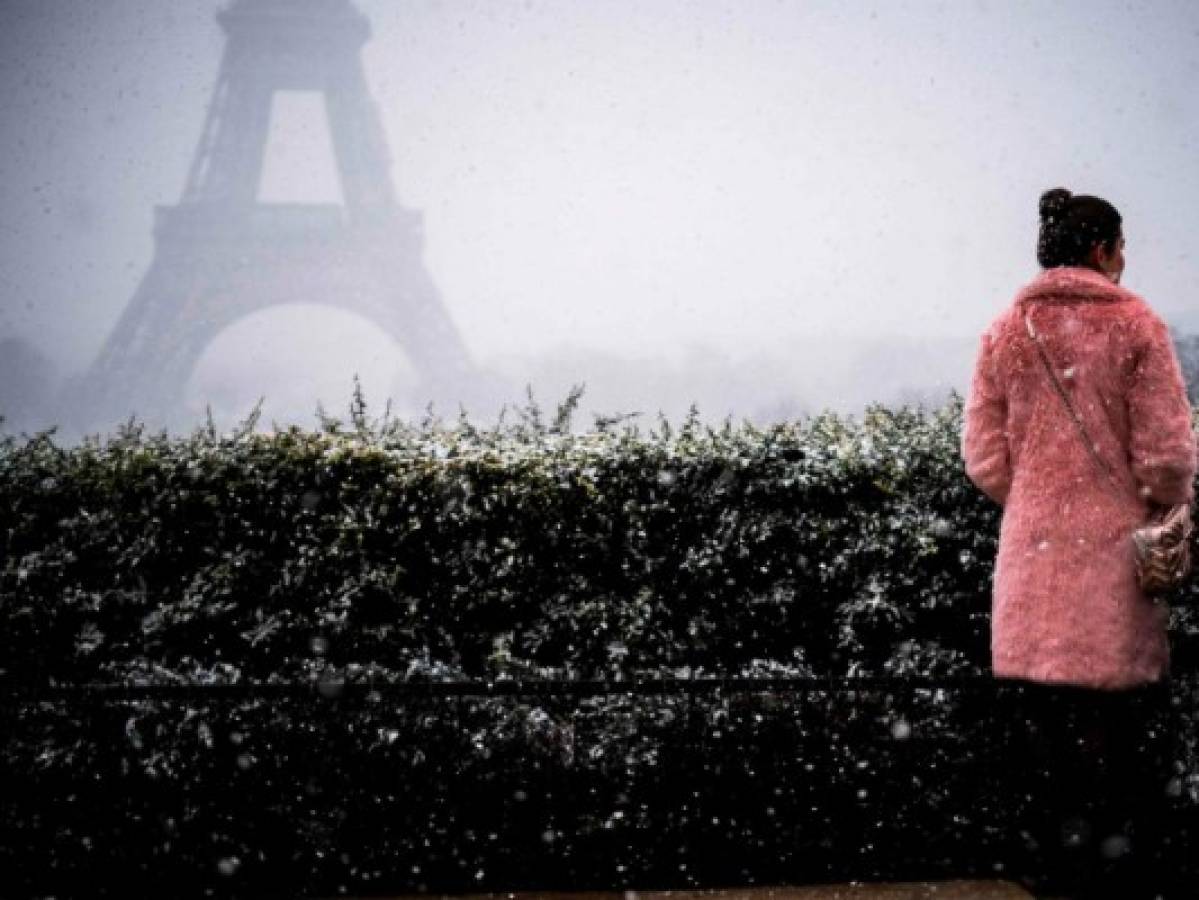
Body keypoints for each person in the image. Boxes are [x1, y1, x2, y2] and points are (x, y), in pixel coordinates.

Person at [961, 187, 1196, 898]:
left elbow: (983, 458)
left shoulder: (1006, 330)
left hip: (1029, 579)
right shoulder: (1137, 327)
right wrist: (1126, 506)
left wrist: (1040, 503)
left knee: (1045, 758)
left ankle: (1052, 877)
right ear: (1101, 250)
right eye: (1120, 248)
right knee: (1118, 760)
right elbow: (1167, 461)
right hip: (1111, 583)